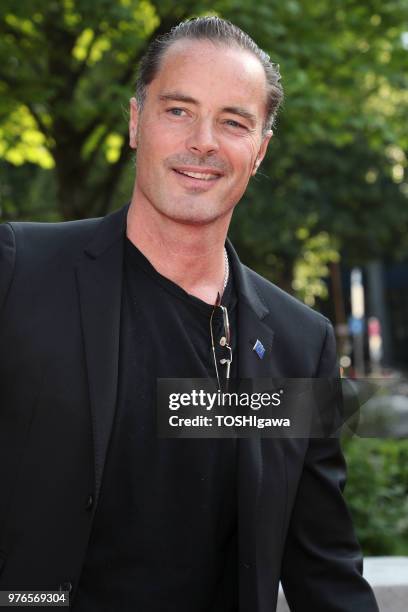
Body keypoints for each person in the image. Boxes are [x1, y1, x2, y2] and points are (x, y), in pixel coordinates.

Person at [0, 16, 378, 612]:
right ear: (136, 121)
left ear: (259, 151)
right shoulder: (19, 271)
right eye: (178, 110)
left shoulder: (302, 345)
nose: (203, 141)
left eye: (233, 122)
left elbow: (325, 569)